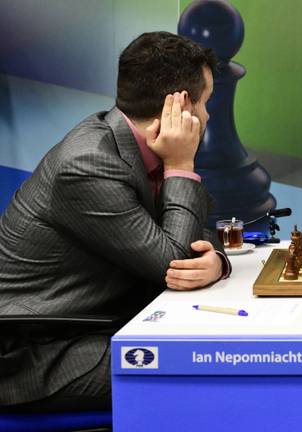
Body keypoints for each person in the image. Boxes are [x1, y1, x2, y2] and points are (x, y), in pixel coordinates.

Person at [0, 31, 230, 412]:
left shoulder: (130, 144)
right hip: (36, 354)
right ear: (182, 107)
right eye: (205, 103)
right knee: (204, 371)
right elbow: (174, 262)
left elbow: (189, 236)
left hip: (91, 326)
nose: (206, 116)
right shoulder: (88, 164)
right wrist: (181, 165)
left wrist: (216, 261)